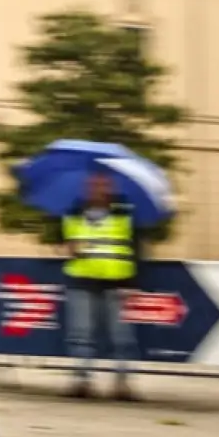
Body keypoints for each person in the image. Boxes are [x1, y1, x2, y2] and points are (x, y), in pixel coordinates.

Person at [56, 170, 145, 401]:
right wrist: (69, 248)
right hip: (82, 279)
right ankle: (82, 380)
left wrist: (133, 282)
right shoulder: (72, 214)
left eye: (103, 184)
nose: (98, 189)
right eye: (93, 184)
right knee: (80, 334)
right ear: (86, 188)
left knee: (122, 337)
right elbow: (65, 244)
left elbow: (135, 249)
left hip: (118, 281)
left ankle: (123, 382)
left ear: (111, 188)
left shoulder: (125, 214)